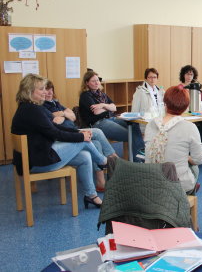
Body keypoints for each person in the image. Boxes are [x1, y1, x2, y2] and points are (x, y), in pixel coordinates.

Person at [11, 74, 108, 209]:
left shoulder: (29, 107)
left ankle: (91, 196)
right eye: (41, 89)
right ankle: (104, 161)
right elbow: (55, 133)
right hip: (37, 162)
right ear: (29, 91)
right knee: (83, 142)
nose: (45, 92)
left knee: (85, 156)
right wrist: (81, 137)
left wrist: (78, 132)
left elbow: (54, 127)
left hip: (34, 157)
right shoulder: (32, 110)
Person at [43, 80, 117, 191]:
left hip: (72, 131)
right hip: (64, 136)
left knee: (96, 142)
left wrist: (62, 114)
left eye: (51, 90)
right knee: (97, 132)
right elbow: (54, 120)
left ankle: (100, 181)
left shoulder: (55, 103)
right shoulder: (42, 106)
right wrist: (65, 114)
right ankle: (113, 159)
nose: (49, 93)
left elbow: (73, 116)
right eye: (46, 90)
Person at [144, 86, 202, 194]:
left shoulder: (151, 124)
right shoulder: (189, 127)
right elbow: (199, 160)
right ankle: (186, 201)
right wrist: (187, 157)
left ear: (165, 103)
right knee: (194, 168)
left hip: (151, 182)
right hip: (177, 185)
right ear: (186, 107)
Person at [79, 70, 145, 162]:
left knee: (134, 124)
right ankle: (139, 160)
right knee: (130, 134)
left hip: (111, 118)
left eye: (97, 80)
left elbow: (114, 108)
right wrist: (107, 107)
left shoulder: (101, 94)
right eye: (93, 81)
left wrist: (103, 105)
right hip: (99, 123)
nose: (96, 83)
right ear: (87, 83)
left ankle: (139, 158)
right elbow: (96, 112)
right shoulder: (85, 96)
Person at [178, 65, 202, 152]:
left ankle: (201, 144)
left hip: (196, 111)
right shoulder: (180, 88)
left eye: (191, 75)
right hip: (184, 113)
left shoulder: (196, 87)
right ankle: (192, 146)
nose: (189, 76)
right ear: (183, 75)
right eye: (187, 74)